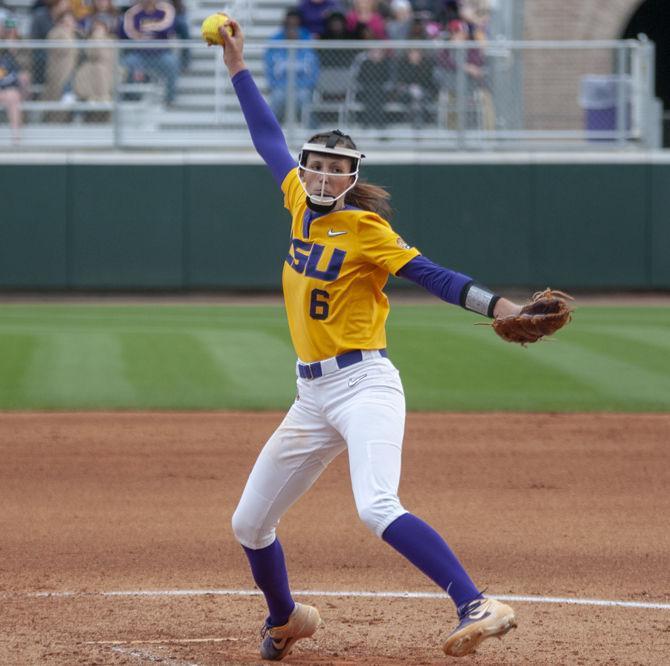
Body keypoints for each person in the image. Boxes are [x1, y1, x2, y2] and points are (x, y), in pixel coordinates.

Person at [218, 17, 519, 661]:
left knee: (376, 505)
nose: (324, 177)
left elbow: (431, 274)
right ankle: (286, 618)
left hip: (364, 385)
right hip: (310, 397)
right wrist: (237, 66)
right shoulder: (297, 200)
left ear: (353, 177)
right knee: (249, 523)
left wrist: (496, 305)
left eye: (337, 169)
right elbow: (265, 133)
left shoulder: (365, 230)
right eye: (317, 166)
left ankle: (477, 602)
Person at [264, 8, 319, 126]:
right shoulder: (275, 41)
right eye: (290, 25)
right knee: (278, 97)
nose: (292, 28)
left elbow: (314, 70)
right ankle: (272, 133)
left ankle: (311, 133)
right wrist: (277, 85)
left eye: (295, 25)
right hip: (281, 86)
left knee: (303, 97)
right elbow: (269, 70)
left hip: (302, 87)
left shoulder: (307, 39)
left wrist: (306, 85)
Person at [121, 0, 179, 105]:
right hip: (139, 54)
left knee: (172, 62)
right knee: (127, 63)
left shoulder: (166, 9)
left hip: (161, 53)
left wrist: (147, 28)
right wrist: (153, 30)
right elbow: (127, 33)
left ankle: (170, 99)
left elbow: (169, 28)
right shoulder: (133, 12)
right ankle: (133, 98)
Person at [0, 17, 30, 144]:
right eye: (7, 29)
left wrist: (13, 50)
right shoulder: (2, 46)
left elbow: (25, 69)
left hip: (13, 89)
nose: (10, 32)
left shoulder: (23, 47)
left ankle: (16, 136)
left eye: (13, 29)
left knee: (13, 96)